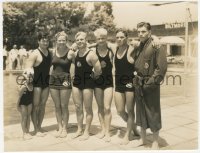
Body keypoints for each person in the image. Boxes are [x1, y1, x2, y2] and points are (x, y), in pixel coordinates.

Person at [133, 22, 167, 149]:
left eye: (143, 31)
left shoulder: (156, 46)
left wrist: (149, 84)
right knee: (140, 112)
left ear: (149, 32)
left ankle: (155, 142)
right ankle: (143, 139)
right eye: (138, 32)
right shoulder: (139, 46)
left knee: (153, 112)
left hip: (150, 84)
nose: (140, 34)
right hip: (138, 82)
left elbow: (161, 68)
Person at [72, 32, 102, 141]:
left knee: (88, 108)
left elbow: (99, 70)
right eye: (78, 40)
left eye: (82, 39)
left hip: (88, 83)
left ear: (86, 41)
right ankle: (79, 129)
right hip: (77, 82)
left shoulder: (91, 54)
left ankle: (86, 131)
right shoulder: (75, 54)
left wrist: (91, 78)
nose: (80, 41)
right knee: (78, 106)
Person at [114, 29, 139, 145]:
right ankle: (133, 127)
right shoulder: (115, 48)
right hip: (118, 84)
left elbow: (144, 45)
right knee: (120, 111)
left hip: (129, 84)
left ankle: (128, 135)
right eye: (117, 37)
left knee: (130, 110)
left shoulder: (132, 49)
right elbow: (99, 43)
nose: (119, 39)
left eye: (122, 37)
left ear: (126, 38)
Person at [24, 32, 52, 136]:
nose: (45, 42)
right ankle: (35, 129)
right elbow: (27, 68)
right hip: (36, 83)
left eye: (47, 40)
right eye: (43, 40)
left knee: (43, 105)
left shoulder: (49, 52)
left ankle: (39, 126)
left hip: (46, 82)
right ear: (38, 41)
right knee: (36, 106)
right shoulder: (35, 53)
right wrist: (28, 79)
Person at [49, 31, 75, 138]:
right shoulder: (53, 51)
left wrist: (70, 79)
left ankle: (65, 128)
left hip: (65, 79)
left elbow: (73, 66)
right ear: (56, 41)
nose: (61, 42)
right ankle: (60, 127)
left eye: (63, 40)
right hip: (53, 80)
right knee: (57, 106)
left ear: (66, 41)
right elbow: (52, 66)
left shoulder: (70, 52)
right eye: (59, 40)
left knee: (64, 106)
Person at [93, 28, 114, 142]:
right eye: (99, 38)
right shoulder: (92, 50)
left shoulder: (111, 50)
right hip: (97, 82)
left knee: (107, 107)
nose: (101, 40)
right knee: (100, 107)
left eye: (103, 38)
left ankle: (108, 131)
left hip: (108, 82)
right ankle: (102, 129)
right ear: (96, 39)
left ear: (107, 38)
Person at [17, 70, 34, 140]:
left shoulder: (32, 84)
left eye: (30, 77)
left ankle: (27, 131)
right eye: (27, 77)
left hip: (29, 102)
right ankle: (24, 133)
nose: (29, 78)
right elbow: (19, 95)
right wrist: (17, 105)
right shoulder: (21, 84)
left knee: (28, 117)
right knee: (24, 117)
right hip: (23, 103)